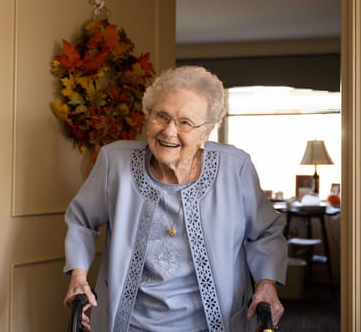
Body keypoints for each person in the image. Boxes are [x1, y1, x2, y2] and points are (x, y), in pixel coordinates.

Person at [63, 65, 287, 332]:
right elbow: (81, 220)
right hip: (129, 324)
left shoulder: (235, 167)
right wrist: (78, 275)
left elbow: (266, 231)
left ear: (207, 131)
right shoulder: (115, 162)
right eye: (161, 116)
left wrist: (267, 284)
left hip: (215, 324)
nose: (169, 131)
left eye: (185, 122)